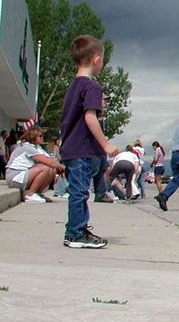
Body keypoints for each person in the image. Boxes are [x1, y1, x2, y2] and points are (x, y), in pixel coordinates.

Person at [60, 35, 119, 248]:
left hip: (70, 148)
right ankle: (75, 233)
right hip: (82, 149)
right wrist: (106, 145)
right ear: (96, 60)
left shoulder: (72, 87)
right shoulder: (92, 87)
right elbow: (90, 117)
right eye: (102, 59)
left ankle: (77, 229)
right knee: (80, 193)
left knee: (78, 192)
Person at [5, 126, 65, 202]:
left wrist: (59, 168)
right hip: (15, 176)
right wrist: (64, 168)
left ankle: (37, 193)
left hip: (25, 175)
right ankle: (30, 194)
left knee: (52, 169)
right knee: (45, 167)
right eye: (40, 136)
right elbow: (47, 161)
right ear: (33, 136)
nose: (42, 138)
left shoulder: (37, 148)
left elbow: (50, 160)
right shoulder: (27, 147)